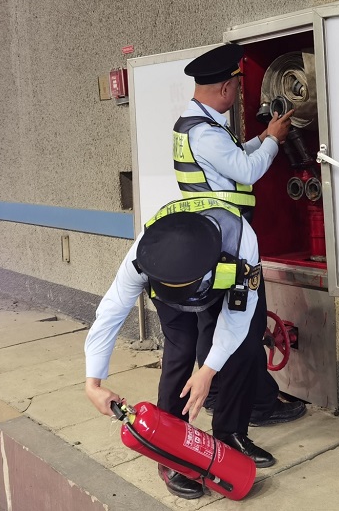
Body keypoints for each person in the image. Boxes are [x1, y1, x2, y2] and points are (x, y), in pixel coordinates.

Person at [85, 197, 274, 500]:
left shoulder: (241, 244)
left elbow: (236, 320)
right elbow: (111, 312)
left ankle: (231, 434)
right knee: (180, 347)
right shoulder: (144, 255)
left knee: (245, 346)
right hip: (170, 282)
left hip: (225, 281)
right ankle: (170, 454)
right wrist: (93, 383)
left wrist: (208, 371)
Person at [173, 42, 306, 426]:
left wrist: (263, 137)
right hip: (230, 245)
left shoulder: (192, 125)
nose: (235, 93)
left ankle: (216, 393)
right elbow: (247, 171)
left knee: (212, 322)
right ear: (225, 88)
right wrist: (274, 141)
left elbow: (231, 159)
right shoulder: (207, 133)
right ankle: (259, 403)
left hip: (210, 241)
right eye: (234, 86)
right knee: (247, 321)